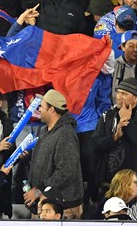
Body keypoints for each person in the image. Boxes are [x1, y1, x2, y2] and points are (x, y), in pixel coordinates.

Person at [90, 78, 137, 189]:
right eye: (118, 92)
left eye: (124, 94)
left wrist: (127, 121)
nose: (118, 97)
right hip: (110, 181)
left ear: (135, 98)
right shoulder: (107, 115)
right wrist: (115, 137)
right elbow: (94, 144)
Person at [26, 89, 84, 219]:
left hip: (63, 208)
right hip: (44, 204)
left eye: (42, 106)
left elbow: (66, 172)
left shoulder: (66, 134)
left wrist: (38, 191)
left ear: (51, 110)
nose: (39, 109)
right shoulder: (45, 130)